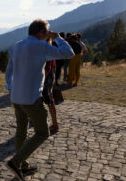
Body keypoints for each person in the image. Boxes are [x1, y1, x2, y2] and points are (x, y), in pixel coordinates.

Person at [5, 19, 74, 180]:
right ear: (42, 33)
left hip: (16, 96)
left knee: (21, 131)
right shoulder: (41, 46)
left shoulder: (16, 46)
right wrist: (57, 38)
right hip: (31, 97)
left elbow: (9, 71)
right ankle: (16, 162)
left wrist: (9, 89)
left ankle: (23, 166)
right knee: (43, 132)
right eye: (47, 32)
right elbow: (69, 53)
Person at [43, 39, 59, 133]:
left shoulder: (46, 51)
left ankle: (55, 124)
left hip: (46, 78)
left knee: (48, 100)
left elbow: (47, 68)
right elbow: (54, 66)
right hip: (50, 77)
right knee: (48, 99)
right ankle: (53, 122)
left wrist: (41, 82)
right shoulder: (51, 50)